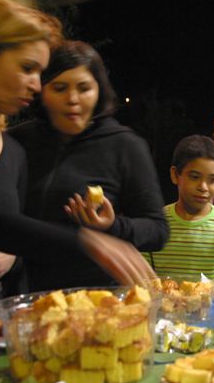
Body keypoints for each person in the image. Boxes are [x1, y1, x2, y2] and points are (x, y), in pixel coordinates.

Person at [0, 0, 154, 332]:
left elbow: (13, 235)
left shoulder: (12, 152)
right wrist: (88, 242)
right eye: (27, 68)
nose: (37, 85)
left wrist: (10, 255)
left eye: (40, 73)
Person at [9, 41, 168, 291]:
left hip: (95, 297)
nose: (73, 99)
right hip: (20, 293)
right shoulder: (16, 141)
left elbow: (157, 230)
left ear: (99, 92)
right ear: (42, 91)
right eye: (59, 88)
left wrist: (112, 226)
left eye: (84, 88)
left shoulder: (125, 145)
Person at [147, 135, 214, 281]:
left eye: (212, 180)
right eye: (194, 177)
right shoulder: (154, 224)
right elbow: (141, 282)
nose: (203, 187)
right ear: (175, 175)